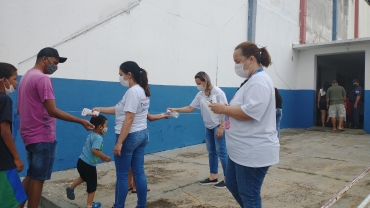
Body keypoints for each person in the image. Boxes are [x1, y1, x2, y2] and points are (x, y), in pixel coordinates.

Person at [18, 47, 95, 208]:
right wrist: (80, 121)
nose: (55, 67)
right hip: (42, 136)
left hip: (29, 135)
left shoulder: (26, 77)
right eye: (54, 62)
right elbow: (52, 111)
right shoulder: (43, 79)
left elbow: (20, 109)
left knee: (32, 175)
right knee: (38, 179)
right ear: (44, 59)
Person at [209, 42, 279, 208]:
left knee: (250, 195)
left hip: (252, 152)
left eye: (238, 61)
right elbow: (244, 107)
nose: (236, 65)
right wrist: (226, 108)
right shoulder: (251, 81)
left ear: (251, 59)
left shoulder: (259, 81)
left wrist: (224, 109)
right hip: (240, 150)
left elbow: (250, 112)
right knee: (232, 184)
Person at [93, 61, 150, 208]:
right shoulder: (142, 90)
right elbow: (120, 109)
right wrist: (100, 109)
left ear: (129, 75)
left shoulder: (132, 92)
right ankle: (141, 205)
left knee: (123, 175)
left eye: (121, 75)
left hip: (129, 136)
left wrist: (119, 143)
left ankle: (118, 206)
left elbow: (129, 118)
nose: (120, 78)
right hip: (142, 134)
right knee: (139, 172)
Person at [167, 71, 228, 189]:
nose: (198, 85)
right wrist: (176, 109)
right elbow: (190, 108)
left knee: (222, 152)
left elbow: (225, 109)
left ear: (205, 81)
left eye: (199, 83)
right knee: (211, 152)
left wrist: (222, 126)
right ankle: (213, 177)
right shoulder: (200, 94)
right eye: (196, 83)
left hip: (217, 125)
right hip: (208, 125)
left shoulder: (218, 92)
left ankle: (228, 179)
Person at [66, 115, 111, 208]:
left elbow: (93, 150)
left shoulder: (91, 135)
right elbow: (94, 150)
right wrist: (105, 157)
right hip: (88, 165)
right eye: (106, 125)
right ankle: (89, 205)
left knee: (84, 177)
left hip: (81, 162)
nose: (106, 128)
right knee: (92, 184)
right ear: (100, 127)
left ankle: (71, 187)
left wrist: (100, 157)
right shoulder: (98, 138)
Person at [0, 63, 27, 208]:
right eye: (14, 78)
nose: (16, 82)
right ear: (4, 80)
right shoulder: (4, 100)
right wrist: (16, 157)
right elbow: (4, 131)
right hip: (3, 161)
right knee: (17, 199)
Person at [128, 113, 170, 193]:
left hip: (130, 134)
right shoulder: (138, 104)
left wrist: (162, 115)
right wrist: (163, 116)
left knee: (131, 161)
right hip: (136, 133)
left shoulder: (127, 105)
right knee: (136, 162)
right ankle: (136, 186)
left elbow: (149, 117)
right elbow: (150, 117)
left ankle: (130, 184)